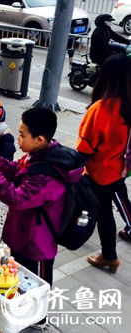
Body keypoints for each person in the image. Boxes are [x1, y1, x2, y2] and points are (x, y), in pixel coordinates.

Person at [0, 107, 84, 288]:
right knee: (18, 284)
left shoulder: (48, 175)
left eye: (22, 135)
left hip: (37, 247)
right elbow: (17, 170)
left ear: (39, 140)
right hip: (22, 237)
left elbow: (16, 198)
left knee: (36, 291)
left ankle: (40, 318)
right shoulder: (36, 155)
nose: (18, 140)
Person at [77, 54, 131, 273]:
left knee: (104, 214)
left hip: (100, 173)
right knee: (120, 197)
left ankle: (109, 256)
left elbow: (84, 149)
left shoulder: (101, 109)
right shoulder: (128, 106)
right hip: (121, 169)